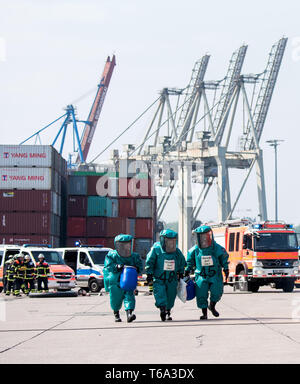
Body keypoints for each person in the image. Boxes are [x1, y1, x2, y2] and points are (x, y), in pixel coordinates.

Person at [185, 225, 229, 320]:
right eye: (201, 236)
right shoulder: (195, 250)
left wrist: (226, 268)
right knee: (201, 294)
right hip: (201, 275)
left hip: (215, 275)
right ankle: (204, 314)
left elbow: (224, 258)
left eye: (206, 236)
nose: (204, 239)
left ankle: (212, 305)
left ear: (210, 236)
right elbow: (189, 261)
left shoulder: (217, 248)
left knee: (217, 292)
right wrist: (187, 270)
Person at [145, 229, 186, 321]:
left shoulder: (177, 252)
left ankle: (168, 310)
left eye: (172, 241)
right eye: (168, 241)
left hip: (172, 278)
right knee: (160, 294)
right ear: (163, 240)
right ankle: (162, 309)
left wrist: (181, 272)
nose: (170, 243)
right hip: (159, 278)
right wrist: (149, 274)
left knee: (171, 295)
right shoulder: (156, 249)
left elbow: (181, 262)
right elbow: (150, 262)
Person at [103, 234, 143, 323]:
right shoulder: (112, 255)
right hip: (115, 281)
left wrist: (136, 268)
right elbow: (108, 266)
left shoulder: (134, 256)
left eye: (127, 244)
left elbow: (140, 266)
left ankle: (129, 314)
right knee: (115, 298)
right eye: (122, 244)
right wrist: (117, 266)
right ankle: (116, 313)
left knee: (129, 296)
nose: (125, 247)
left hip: (128, 280)